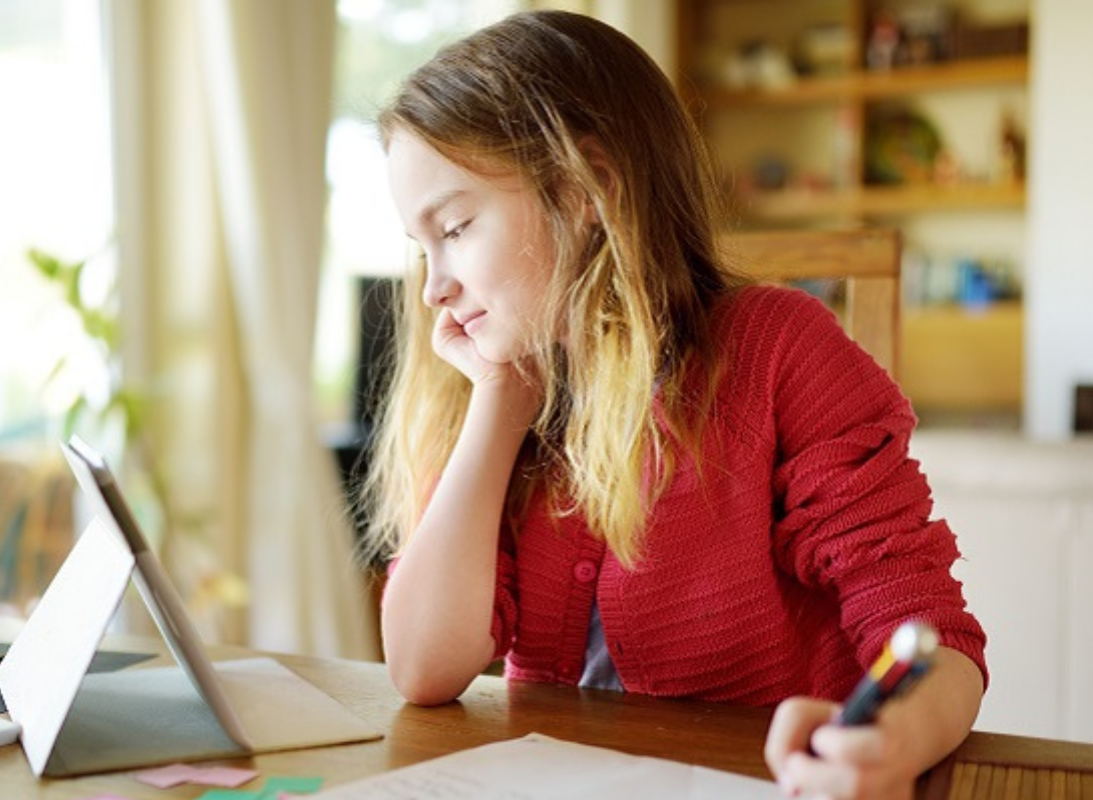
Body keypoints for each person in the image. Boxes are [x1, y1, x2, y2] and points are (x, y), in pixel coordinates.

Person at [363, 10, 987, 800]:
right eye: (421, 248)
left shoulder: (776, 350)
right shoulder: (502, 390)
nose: (432, 287)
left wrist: (891, 742)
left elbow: (931, 633)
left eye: (454, 228)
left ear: (584, 189)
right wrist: (497, 401)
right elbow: (423, 667)